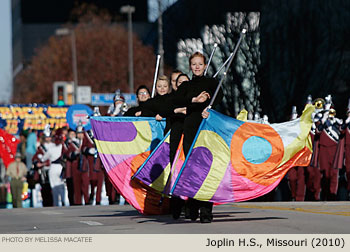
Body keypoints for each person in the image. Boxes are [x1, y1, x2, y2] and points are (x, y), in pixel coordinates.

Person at [171, 52, 223, 223]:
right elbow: (178, 100)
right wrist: (194, 100)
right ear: (190, 66)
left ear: (205, 65)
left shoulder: (212, 83)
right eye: (194, 64)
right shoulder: (186, 85)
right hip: (191, 130)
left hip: (207, 130)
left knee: (206, 170)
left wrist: (210, 106)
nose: (197, 67)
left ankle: (206, 211)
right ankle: (192, 205)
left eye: (200, 64)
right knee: (192, 170)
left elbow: (219, 98)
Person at [42, 128, 66, 206]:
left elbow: (43, 158)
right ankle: (63, 200)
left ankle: (56, 203)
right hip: (61, 167)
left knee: (54, 186)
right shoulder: (62, 147)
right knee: (61, 185)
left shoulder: (51, 149)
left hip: (53, 167)